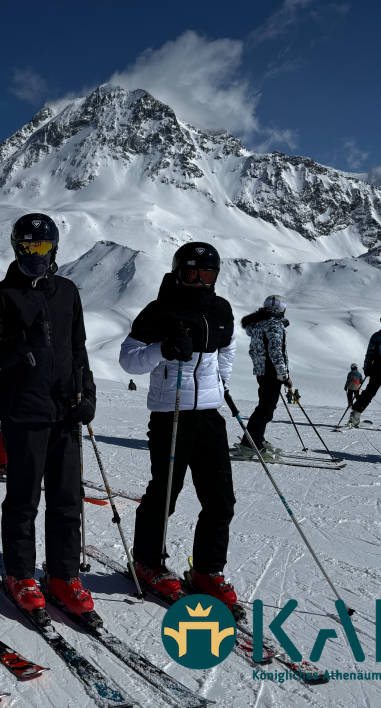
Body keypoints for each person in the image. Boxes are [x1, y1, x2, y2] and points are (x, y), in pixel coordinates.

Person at [0, 213, 98, 621]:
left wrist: (88, 394)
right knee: (23, 500)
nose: (36, 254)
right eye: (28, 246)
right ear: (17, 248)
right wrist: (22, 342)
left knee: (67, 499)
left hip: (65, 410)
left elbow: (79, 349)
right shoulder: (2, 295)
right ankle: (20, 574)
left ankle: (63, 575)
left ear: (54, 248)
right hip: (24, 413)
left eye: (43, 246)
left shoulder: (67, 291)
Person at [119, 242, 238, 606]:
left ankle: (207, 570)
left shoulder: (221, 310)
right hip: (170, 414)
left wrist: (221, 382)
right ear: (177, 273)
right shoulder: (160, 310)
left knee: (220, 499)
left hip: (209, 414)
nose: (199, 282)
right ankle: (148, 562)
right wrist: (162, 349)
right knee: (165, 493)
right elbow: (128, 359)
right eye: (191, 274)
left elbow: (228, 347)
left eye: (207, 274)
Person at [237, 295, 290, 458]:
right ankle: (251, 444)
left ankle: (255, 440)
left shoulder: (258, 324)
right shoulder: (274, 323)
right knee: (266, 409)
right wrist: (283, 373)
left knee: (264, 406)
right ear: (280, 309)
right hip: (272, 371)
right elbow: (275, 350)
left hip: (262, 371)